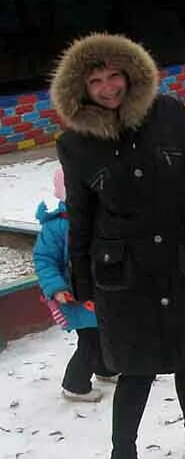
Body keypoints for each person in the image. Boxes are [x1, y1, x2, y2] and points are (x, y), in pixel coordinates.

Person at [50, 33, 185, 459]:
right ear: (82, 89)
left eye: (114, 75)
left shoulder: (168, 113)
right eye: (96, 81)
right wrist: (83, 279)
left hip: (181, 255)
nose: (109, 87)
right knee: (137, 366)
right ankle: (123, 456)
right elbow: (80, 213)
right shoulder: (74, 143)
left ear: (131, 73)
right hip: (125, 271)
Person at [32, 168, 117, 403]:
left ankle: (106, 370)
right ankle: (75, 385)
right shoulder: (56, 227)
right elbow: (44, 260)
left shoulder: (100, 219)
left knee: (104, 333)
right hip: (75, 296)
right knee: (89, 340)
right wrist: (57, 288)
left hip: (100, 291)